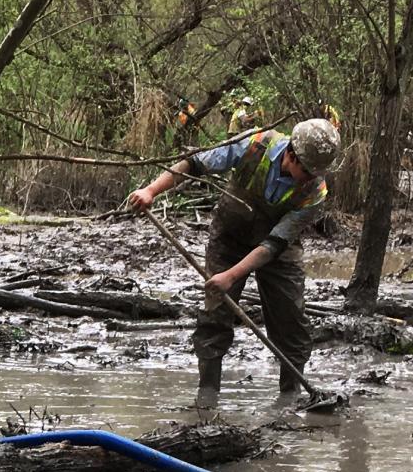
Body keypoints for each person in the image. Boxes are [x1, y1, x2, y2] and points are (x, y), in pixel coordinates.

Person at [126, 116, 344, 409]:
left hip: (277, 248)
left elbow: (273, 245)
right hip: (229, 235)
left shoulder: (316, 192)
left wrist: (232, 276)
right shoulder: (254, 144)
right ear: (291, 155)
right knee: (215, 315)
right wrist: (151, 191)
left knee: (291, 320)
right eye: (307, 171)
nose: (311, 179)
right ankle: (207, 397)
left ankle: (289, 396)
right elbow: (195, 164)